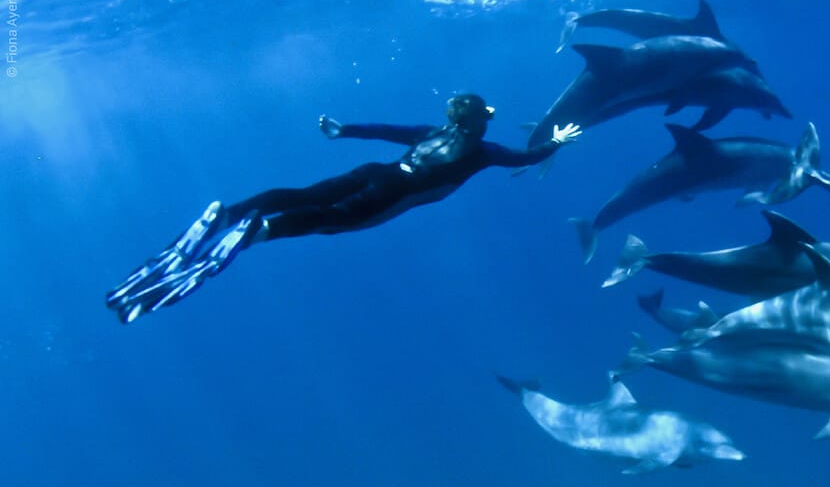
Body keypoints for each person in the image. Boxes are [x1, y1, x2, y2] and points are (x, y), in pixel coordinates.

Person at [106, 94, 582, 324]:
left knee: (301, 193)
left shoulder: (427, 132)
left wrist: (341, 129)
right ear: (480, 124)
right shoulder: (485, 152)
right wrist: (555, 142)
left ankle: (231, 214)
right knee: (327, 219)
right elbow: (528, 157)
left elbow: (382, 129)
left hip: (375, 169)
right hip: (390, 195)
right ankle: (257, 232)